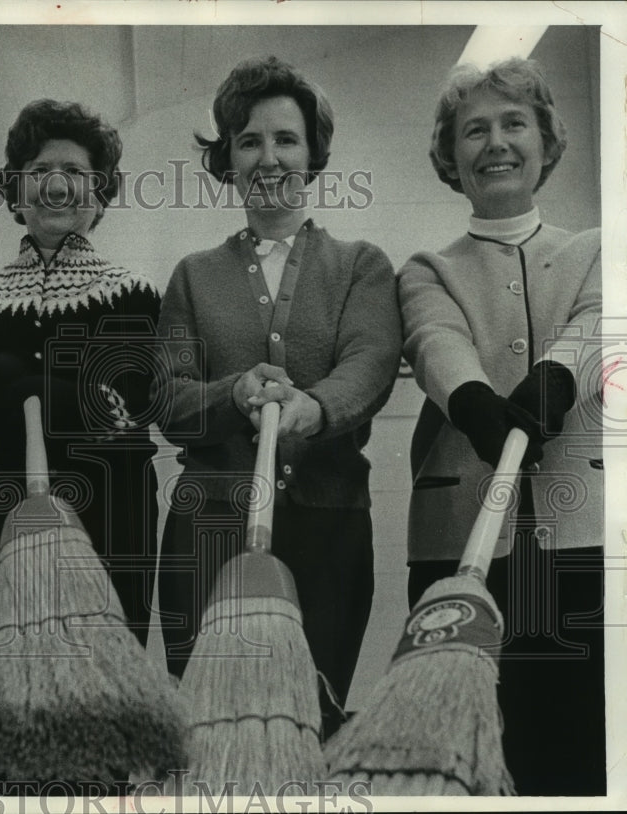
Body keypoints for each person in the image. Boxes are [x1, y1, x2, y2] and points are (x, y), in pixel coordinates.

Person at [155, 56, 402, 739]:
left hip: (328, 530)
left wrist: (313, 408)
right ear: (228, 159)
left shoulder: (361, 266)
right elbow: (168, 398)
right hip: (208, 533)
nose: (269, 157)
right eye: (249, 141)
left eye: (286, 139)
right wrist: (231, 393)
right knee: (210, 730)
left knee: (307, 727)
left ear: (314, 154)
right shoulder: (192, 277)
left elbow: (370, 363)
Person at [398, 57, 605, 795]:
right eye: (474, 130)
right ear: (450, 156)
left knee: (581, 746)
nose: (496, 143)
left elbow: (600, 322)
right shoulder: (426, 268)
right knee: (474, 752)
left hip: (582, 541)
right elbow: (434, 339)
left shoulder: (599, 249)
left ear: (545, 142)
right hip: (459, 543)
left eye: (514, 123)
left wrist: (559, 375)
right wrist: (473, 400)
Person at [0, 99, 161, 662]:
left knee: (105, 670)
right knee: (3, 664)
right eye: (40, 171)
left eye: (75, 171)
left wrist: (25, 387)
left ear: (100, 193)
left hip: (110, 513)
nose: (56, 185)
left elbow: (140, 397)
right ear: (16, 191)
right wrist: (0, 380)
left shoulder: (135, 293)